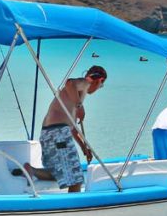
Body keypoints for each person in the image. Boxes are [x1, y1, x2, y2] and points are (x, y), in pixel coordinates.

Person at [17, 65, 107, 193]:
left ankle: (31, 170)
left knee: (57, 174)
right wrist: (79, 106)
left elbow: (73, 129)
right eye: (101, 86)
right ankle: (73, 209)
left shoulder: (76, 95)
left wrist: (84, 148)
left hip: (48, 134)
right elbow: (70, 83)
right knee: (76, 180)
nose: (98, 88)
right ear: (100, 80)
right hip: (58, 133)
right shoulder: (86, 83)